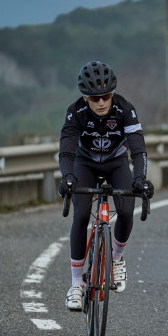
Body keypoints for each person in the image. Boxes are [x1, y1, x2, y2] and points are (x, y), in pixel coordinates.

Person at [58, 61, 154, 311]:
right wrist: (67, 177)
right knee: (80, 215)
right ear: (84, 97)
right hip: (85, 163)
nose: (101, 103)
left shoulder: (125, 110)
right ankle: (76, 284)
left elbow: (139, 150)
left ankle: (117, 259)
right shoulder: (75, 112)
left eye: (106, 96)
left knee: (125, 210)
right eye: (94, 98)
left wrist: (140, 178)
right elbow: (66, 152)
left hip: (116, 162)